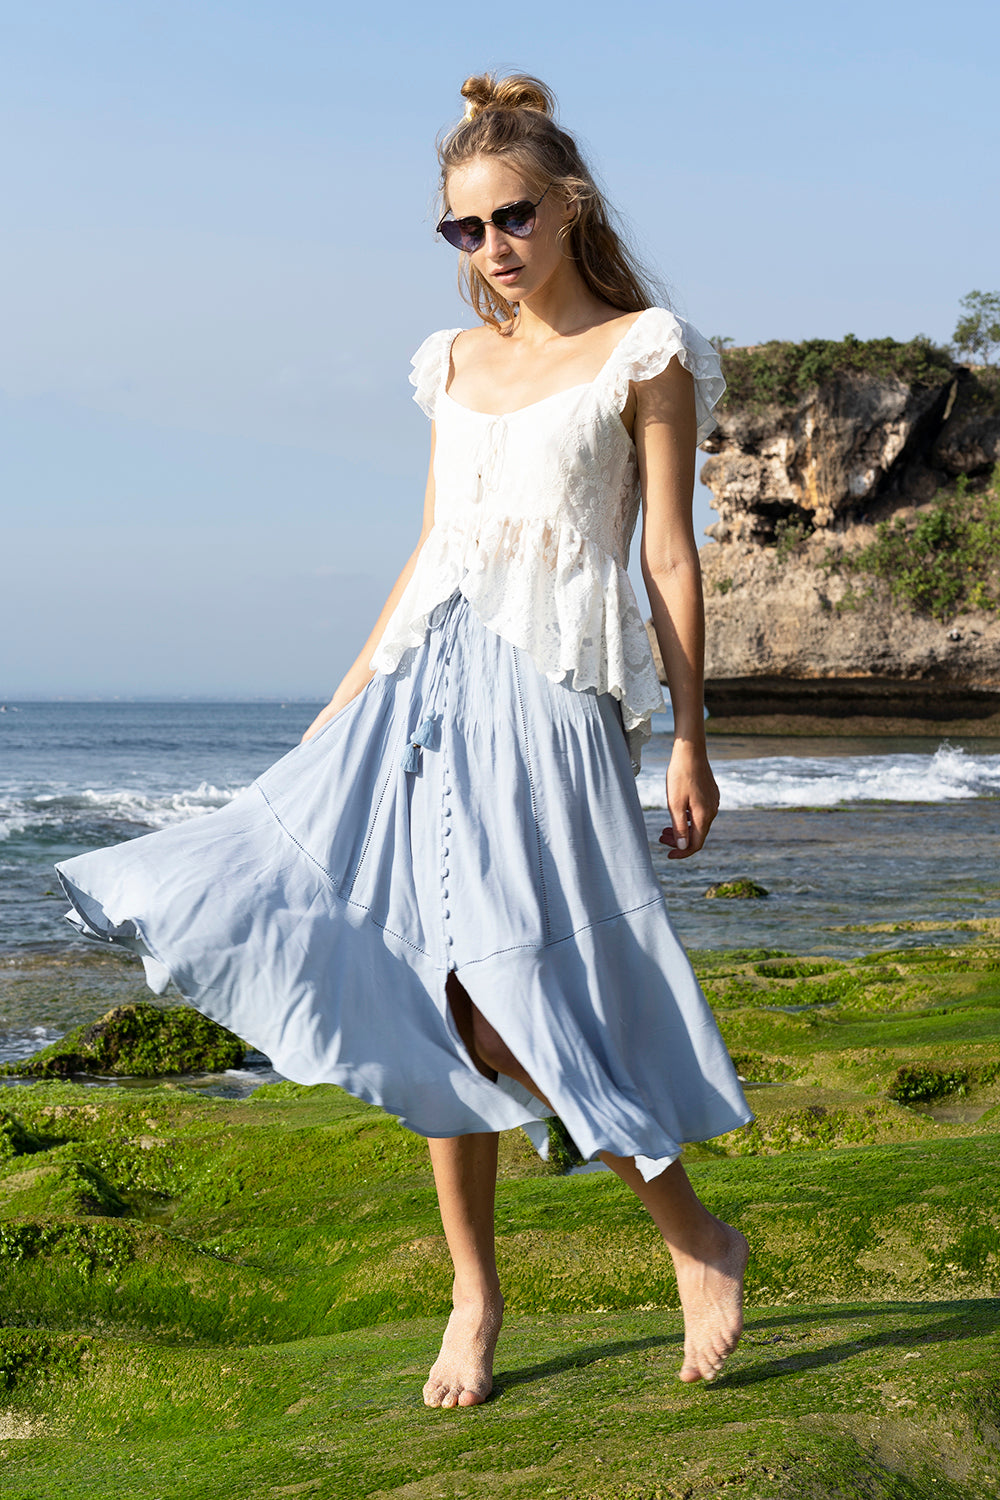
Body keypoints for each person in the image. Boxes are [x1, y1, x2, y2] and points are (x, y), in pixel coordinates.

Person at [55, 71, 753, 1409]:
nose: (492, 247)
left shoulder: (644, 350)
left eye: (512, 217)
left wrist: (689, 741)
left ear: (567, 208)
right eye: (464, 228)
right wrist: (344, 700)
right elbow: (434, 547)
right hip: (424, 695)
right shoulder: (453, 364)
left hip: (551, 701)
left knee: (526, 996)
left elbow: (669, 555)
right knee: (434, 1000)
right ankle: (474, 1300)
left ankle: (696, 1240)